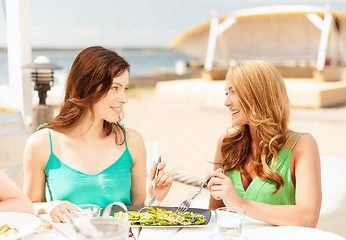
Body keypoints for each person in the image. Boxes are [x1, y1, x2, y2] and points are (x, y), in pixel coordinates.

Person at [23, 46, 173, 222]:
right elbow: (27, 209)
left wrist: (155, 197)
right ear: (88, 87)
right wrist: (47, 207)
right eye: (115, 88)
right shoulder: (41, 143)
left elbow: (139, 214)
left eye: (125, 88)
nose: (124, 98)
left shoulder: (132, 141)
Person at [206, 61, 322, 227]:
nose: (227, 102)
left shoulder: (302, 145)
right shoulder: (226, 144)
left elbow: (308, 218)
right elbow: (214, 214)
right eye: (226, 93)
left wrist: (240, 204)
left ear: (257, 94)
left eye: (234, 92)